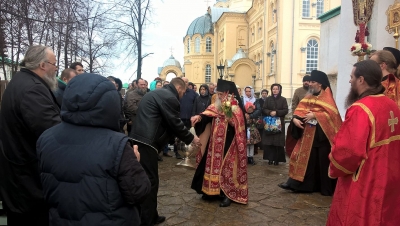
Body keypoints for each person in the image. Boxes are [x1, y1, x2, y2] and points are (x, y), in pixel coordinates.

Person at [37, 74, 151, 226]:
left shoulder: (46, 138)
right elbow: (138, 191)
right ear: (109, 104)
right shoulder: (116, 144)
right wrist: (135, 162)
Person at [327, 60, 400, 225]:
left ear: (361, 80)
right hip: (391, 178)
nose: (349, 80)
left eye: (352, 76)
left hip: (367, 180)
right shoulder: (392, 105)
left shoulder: (360, 109)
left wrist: (334, 156)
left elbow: (348, 152)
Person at [0, 45, 61, 226]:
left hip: (17, 174)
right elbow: (52, 132)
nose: (56, 68)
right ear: (42, 65)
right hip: (27, 180)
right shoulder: (32, 89)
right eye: (54, 64)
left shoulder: (20, 81)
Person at [130, 77, 201, 226]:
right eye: (184, 92)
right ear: (180, 88)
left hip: (140, 139)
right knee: (150, 181)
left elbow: (164, 122)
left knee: (148, 179)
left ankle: (151, 215)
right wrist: (191, 138)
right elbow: (174, 123)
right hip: (147, 141)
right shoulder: (170, 98)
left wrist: (172, 138)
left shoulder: (157, 93)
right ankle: (147, 220)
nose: (183, 96)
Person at [278, 70, 342, 196]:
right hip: (308, 135)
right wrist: (295, 119)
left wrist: (315, 115)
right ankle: (300, 185)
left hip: (323, 137)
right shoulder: (309, 96)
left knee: (323, 162)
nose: (310, 84)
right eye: (310, 81)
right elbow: (299, 111)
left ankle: (325, 188)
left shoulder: (327, 97)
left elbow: (333, 116)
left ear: (320, 84)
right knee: (307, 161)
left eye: (313, 82)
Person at [191, 79, 248, 208]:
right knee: (212, 166)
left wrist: (231, 120)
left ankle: (227, 194)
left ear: (228, 94)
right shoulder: (215, 105)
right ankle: (211, 192)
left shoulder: (235, 107)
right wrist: (199, 117)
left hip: (229, 144)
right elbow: (207, 114)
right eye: (218, 93)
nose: (218, 96)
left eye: (221, 94)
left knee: (226, 169)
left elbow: (240, 125)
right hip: (214, 142)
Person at [262, 83, 288, 165]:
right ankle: (269, 159)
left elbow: (285, 110)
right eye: (273, 89)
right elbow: (264, 109)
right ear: (271, 90)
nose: (275, 90)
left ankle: (277, 160)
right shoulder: (268, 99)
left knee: (277, 143)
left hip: (279, 123)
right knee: (269, 143)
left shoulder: (283, 99)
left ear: (279, 90)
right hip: (269, 122)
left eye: (277, 89)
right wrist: (269, 112)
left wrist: (276, 112)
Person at [173, 77, 198, 159]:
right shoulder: (177, 92)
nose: (185, 83)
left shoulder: (193, 93)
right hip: (179, 118)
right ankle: (177, 152)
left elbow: (196, 104)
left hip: (189, 119)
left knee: (188, 135)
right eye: (183, 82)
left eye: (186, 82)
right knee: (178, 137)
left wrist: (194, 115)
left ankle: (188, 152)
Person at [286, 75, 311, 157]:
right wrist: (295, 116)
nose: (306, 82)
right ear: (303, 82)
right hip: (299, 117)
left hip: (310, 117)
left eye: (308, 81)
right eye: (305, 81)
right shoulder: (298, 91)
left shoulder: (313, 91)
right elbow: (294, 104)